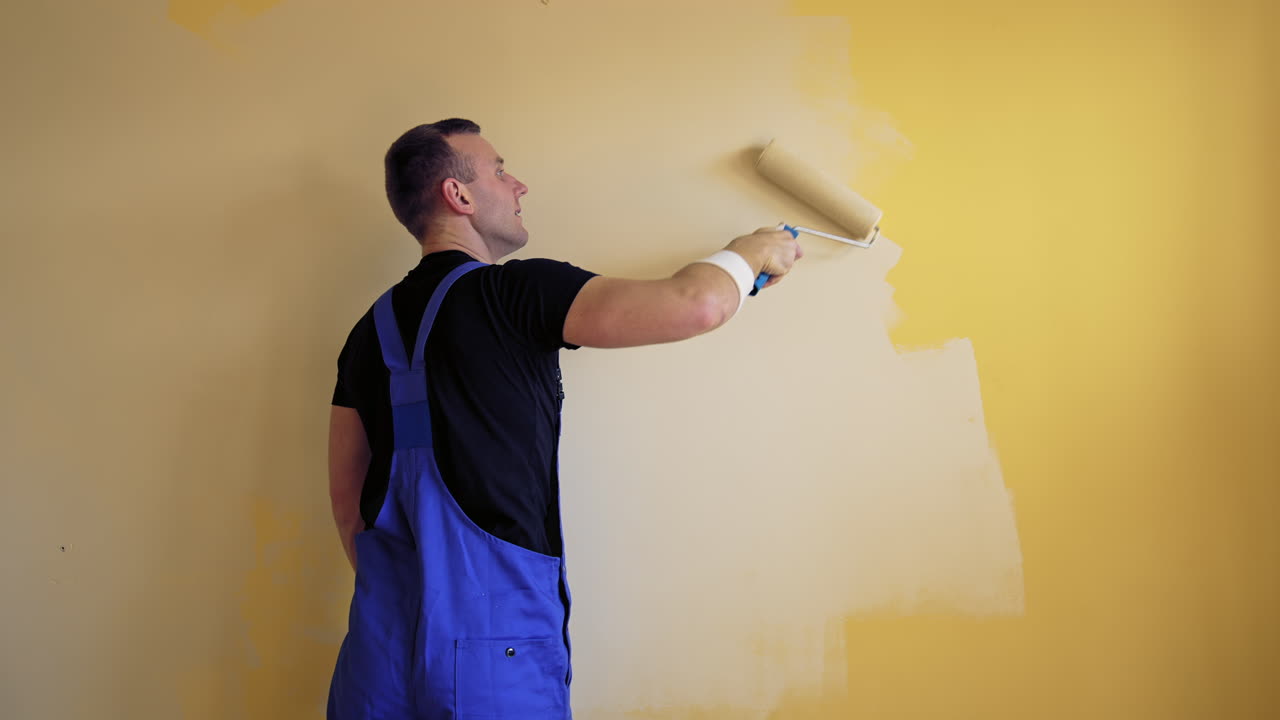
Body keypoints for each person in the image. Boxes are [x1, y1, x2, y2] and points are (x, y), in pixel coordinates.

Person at [326, 118, 802, 719]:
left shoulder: (368, 332)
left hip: (379, 654)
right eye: (500, 170)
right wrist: (753, 251)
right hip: (491, 660)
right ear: (459, 195)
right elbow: (697, 304)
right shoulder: (514, 294)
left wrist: (417, 605)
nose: (518, 184)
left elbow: (347, 502)